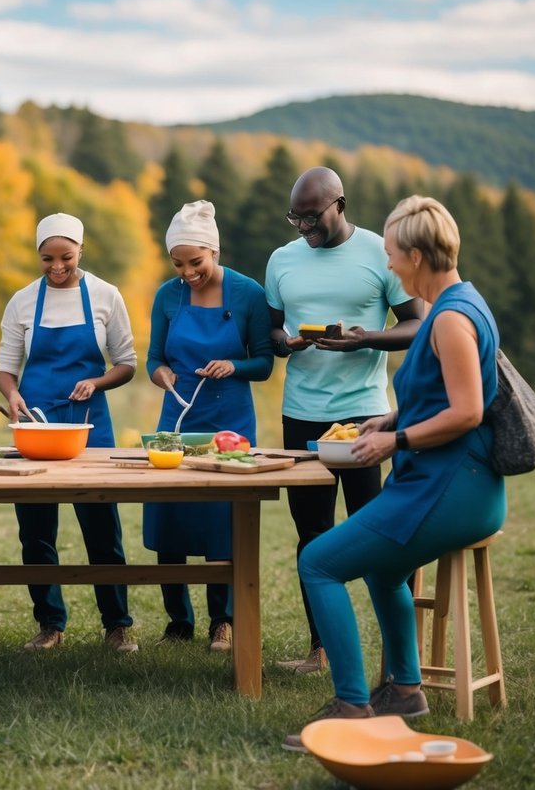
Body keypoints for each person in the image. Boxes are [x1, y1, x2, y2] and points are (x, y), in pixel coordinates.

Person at [283, 196, 506, 751]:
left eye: (389, 254)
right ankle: (405, 691)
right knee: (384, 572)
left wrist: (393, 440)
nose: (386, 265)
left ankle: (352, 706)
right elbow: (437, 394)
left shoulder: (451, 320)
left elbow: (468, 412)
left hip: (451, 488)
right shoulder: (459, 304)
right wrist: (389, 416)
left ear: (415, 255)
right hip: (444, 482)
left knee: (318, 562)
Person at [265, 166, 423, 674]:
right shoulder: (282, 260)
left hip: (363, 417)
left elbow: (417, 324)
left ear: (340, 204)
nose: (304, 227)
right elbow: (269, 330)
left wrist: (365, 339)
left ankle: (395, 657)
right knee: (311, 533)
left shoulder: (380, 253)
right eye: (296, 218)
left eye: (312, 217)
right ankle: (322, 650)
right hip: (301, 415)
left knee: (373, 534)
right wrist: (284, 343)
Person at [0, 212, 139, 654]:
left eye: (66, 258)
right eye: (46, 259)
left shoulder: (105, 295)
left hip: (89, 425)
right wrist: (14, 396)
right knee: (35, 529)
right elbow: (5, 368)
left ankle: (117, 624)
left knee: (102, 527)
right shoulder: (22, 301)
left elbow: (128, 362)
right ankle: (49, 623)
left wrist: (96, 382)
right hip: (36, 424)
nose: (57, 267)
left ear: (81, 249)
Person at [143, 201, 273, 651]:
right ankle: (178, 620)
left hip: (230, 422)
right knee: (169, 519)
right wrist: (160, 375)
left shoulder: (248, 294)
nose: (187, 272)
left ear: (214, 252)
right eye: (178, 264)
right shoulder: (167, 295)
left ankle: (225, 620)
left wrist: (233, 366)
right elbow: (154, 359)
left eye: (195, 262)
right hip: (176, 419)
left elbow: (264, 364)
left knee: (223, 520)